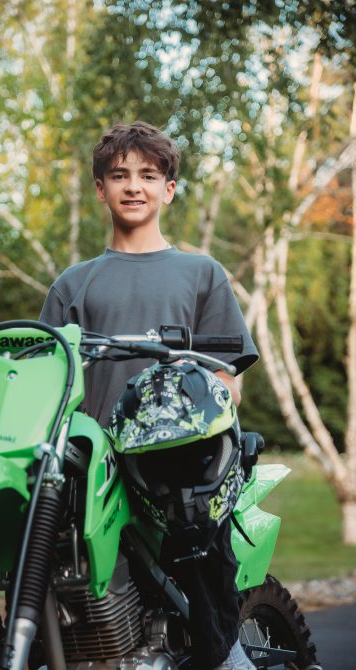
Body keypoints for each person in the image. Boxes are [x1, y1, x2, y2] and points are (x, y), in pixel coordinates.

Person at [40, 121, 258, 670]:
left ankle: (228, 658)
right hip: (94, 466)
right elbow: (47, 378)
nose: (133, 186)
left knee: (203, 571)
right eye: (119, 176)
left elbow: (227, 381)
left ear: (169, 189)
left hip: (177, 464)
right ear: (100, 189)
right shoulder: (73, 283)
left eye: (148, 175)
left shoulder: (201, 273)